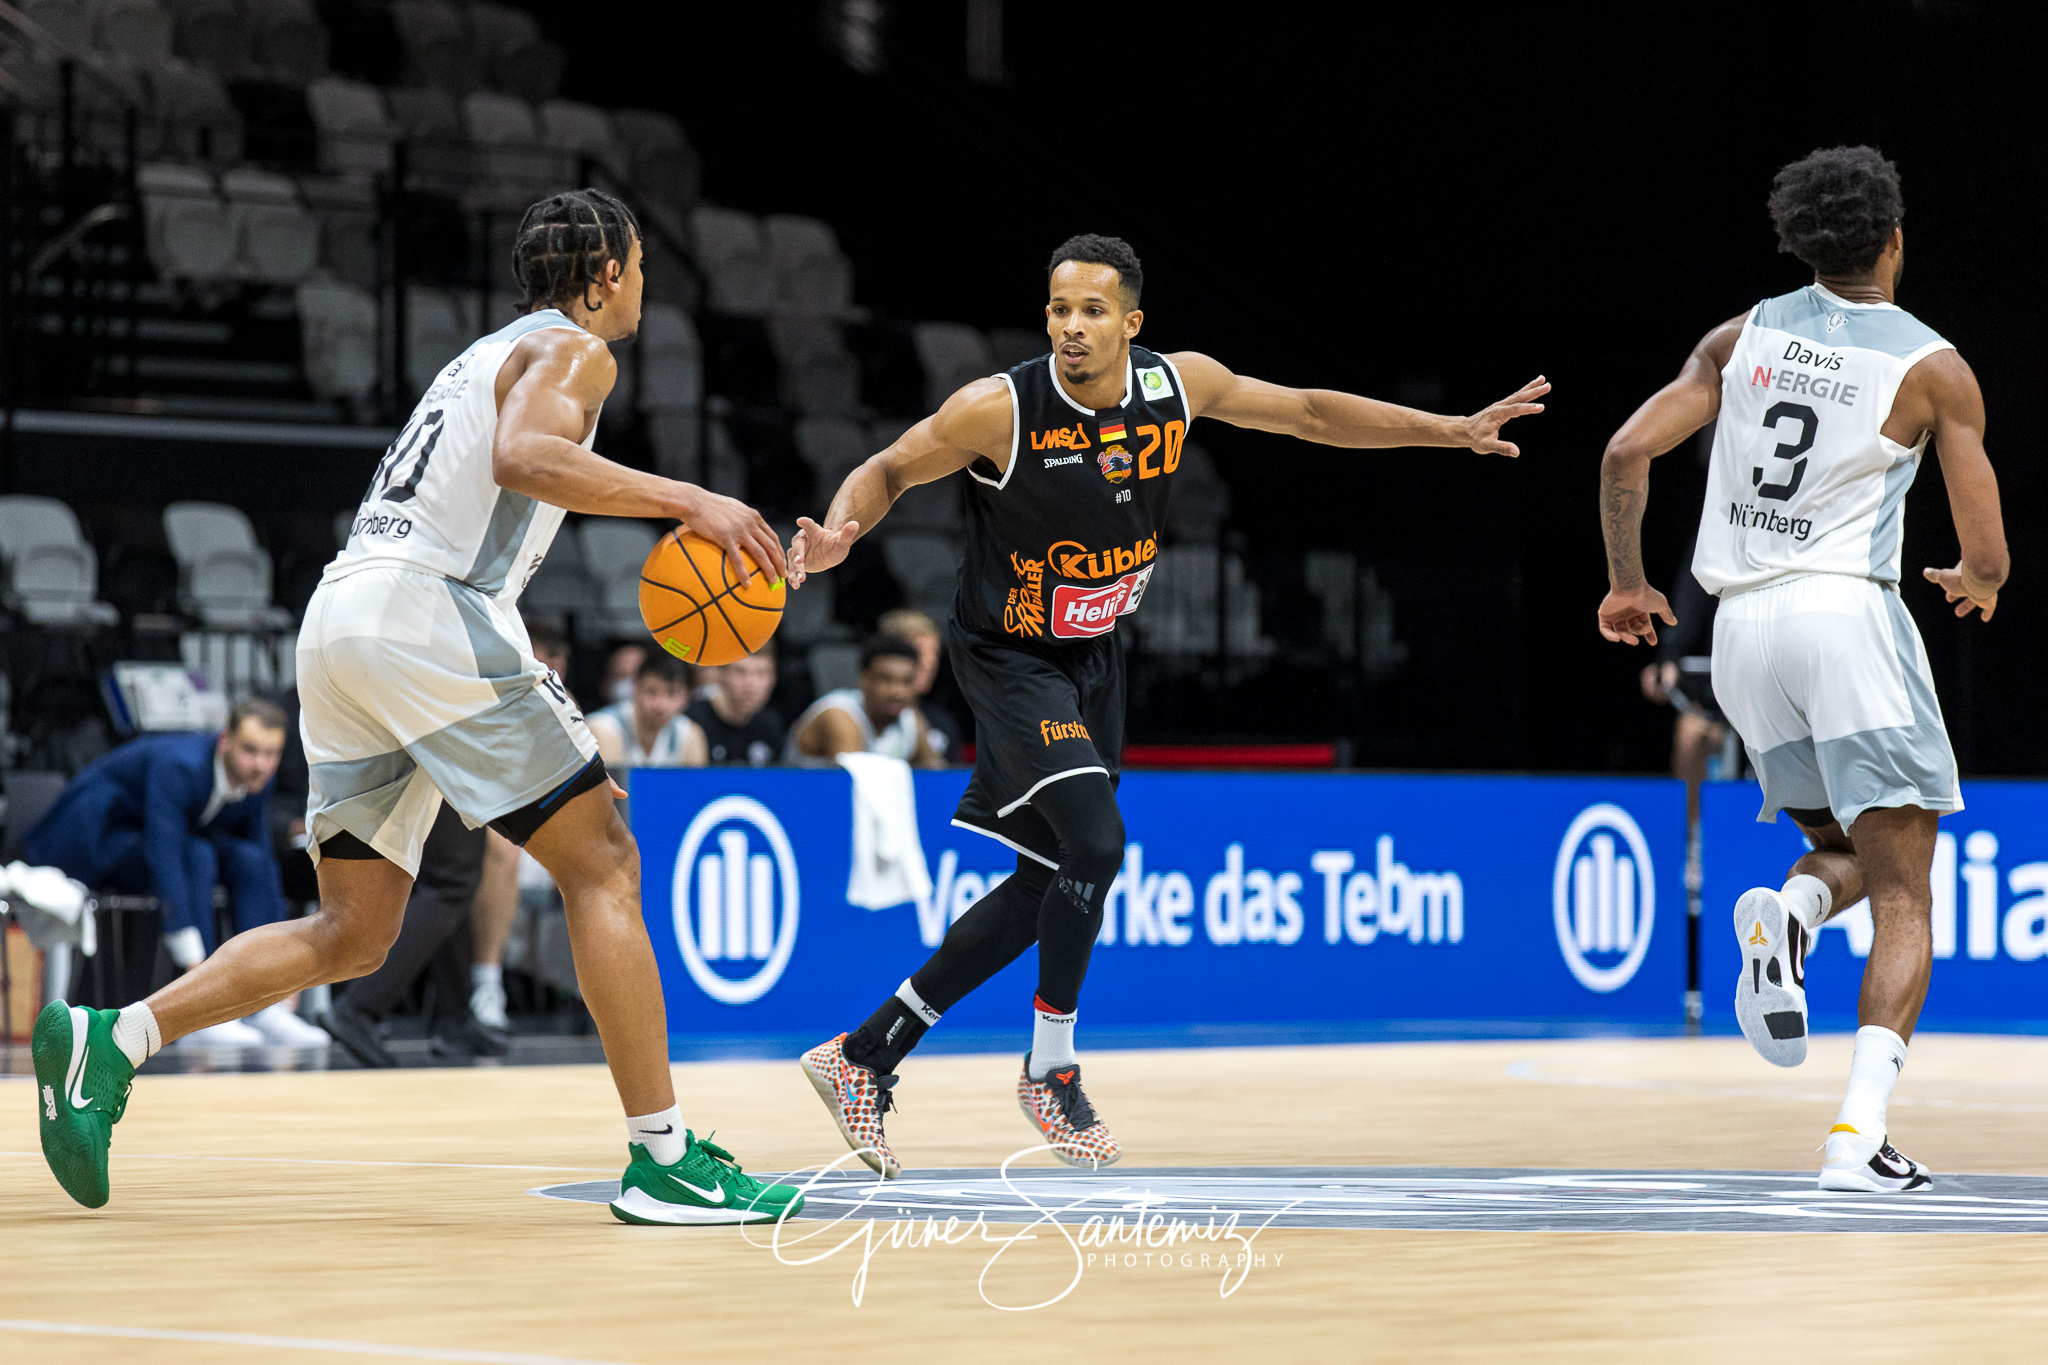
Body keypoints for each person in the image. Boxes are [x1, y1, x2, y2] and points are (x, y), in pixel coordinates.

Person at [31, 187, 805, 1224]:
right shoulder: (576, 351)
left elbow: (465, 522)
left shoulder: (477, 356)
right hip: (424, 615)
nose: (641, 289)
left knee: (354, 931)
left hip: (351, 615)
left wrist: (539, 701)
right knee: (605, 860)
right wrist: (692, 497)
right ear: (608, 274)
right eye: (638, 270)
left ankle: (111, 1042)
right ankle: (662, 1159)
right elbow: (524, 460)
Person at [789, 233, 1544, 1177]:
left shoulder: (1177, 386)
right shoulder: (1001, 409)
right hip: (1010, 653)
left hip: (1094, 655)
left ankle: (862, 1054)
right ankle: (1050, 1070)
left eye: (1092, 311)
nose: (1071, 326)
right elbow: (894, 465)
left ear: (1132, 323)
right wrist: (841, 533)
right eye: (1060, 309)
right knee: (1097, 846)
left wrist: (1450, 428)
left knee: (1045, 886)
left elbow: (1309, 413)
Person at [1593, 147, 2007, 1194]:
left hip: (1742, 635)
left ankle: (1789, 916)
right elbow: (1987, 555)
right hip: (1844, 615)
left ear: (1797, 240)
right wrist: (1972, 581)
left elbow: (1622, 453)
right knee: (1908, 891)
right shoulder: (1931, 366)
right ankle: (1854, 1139)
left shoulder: (1739, 338)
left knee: (1842, 850)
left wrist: (1626, 584)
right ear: (1892, 240)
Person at [23, 698, 327, 1047]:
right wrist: (195, 966)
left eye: (271, 754)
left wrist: (283, 976)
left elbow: (262, 858)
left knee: (249, 860)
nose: (261, 764)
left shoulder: (256, 777)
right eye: (251, 750)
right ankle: (203, 1009)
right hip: (89, 841)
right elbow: (163, 852)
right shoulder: (179, 765)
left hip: (150, 840)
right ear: (225, 739)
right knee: (196, 855)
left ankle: (267, 1007)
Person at [321, 803, 499, 1066]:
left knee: (447, 877)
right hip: (443, 763)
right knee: (452, 880)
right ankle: (360, 1006)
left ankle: (454, 1016)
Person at [470, 617, 575, 1033]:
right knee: (503, 852)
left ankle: (584, 994)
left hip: (550, 829)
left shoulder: (568, 705)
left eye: (556, 659)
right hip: (494, 826)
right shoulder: (487, 697)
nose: (548, 666)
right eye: (539, 657)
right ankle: (487, 982)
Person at [784, 634, 942, 767]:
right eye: (886, 679)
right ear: (864, 680)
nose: (897, 691)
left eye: (906, 682)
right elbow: (855, 784)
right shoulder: (839, 715)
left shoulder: (911, 721)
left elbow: (938, 778)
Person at [587, 653, 706, 770]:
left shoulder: (689, 735)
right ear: (635, 690)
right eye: (651, 692)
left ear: (687, 697)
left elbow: (697, 788)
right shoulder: (604, 730)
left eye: (671, 693)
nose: (660, 704)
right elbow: (604, 789)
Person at [876, 607, 964, 760]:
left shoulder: (943, 724)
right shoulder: (857, 716)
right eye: (918, 651)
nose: (930, 663)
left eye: (935, 653)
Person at [687, 642, 784, 767]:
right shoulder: (692, 720)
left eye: (761, 673)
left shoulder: (770, 725)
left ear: (774, 678)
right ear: (721, 674)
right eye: (741, 672)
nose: (751, 684)